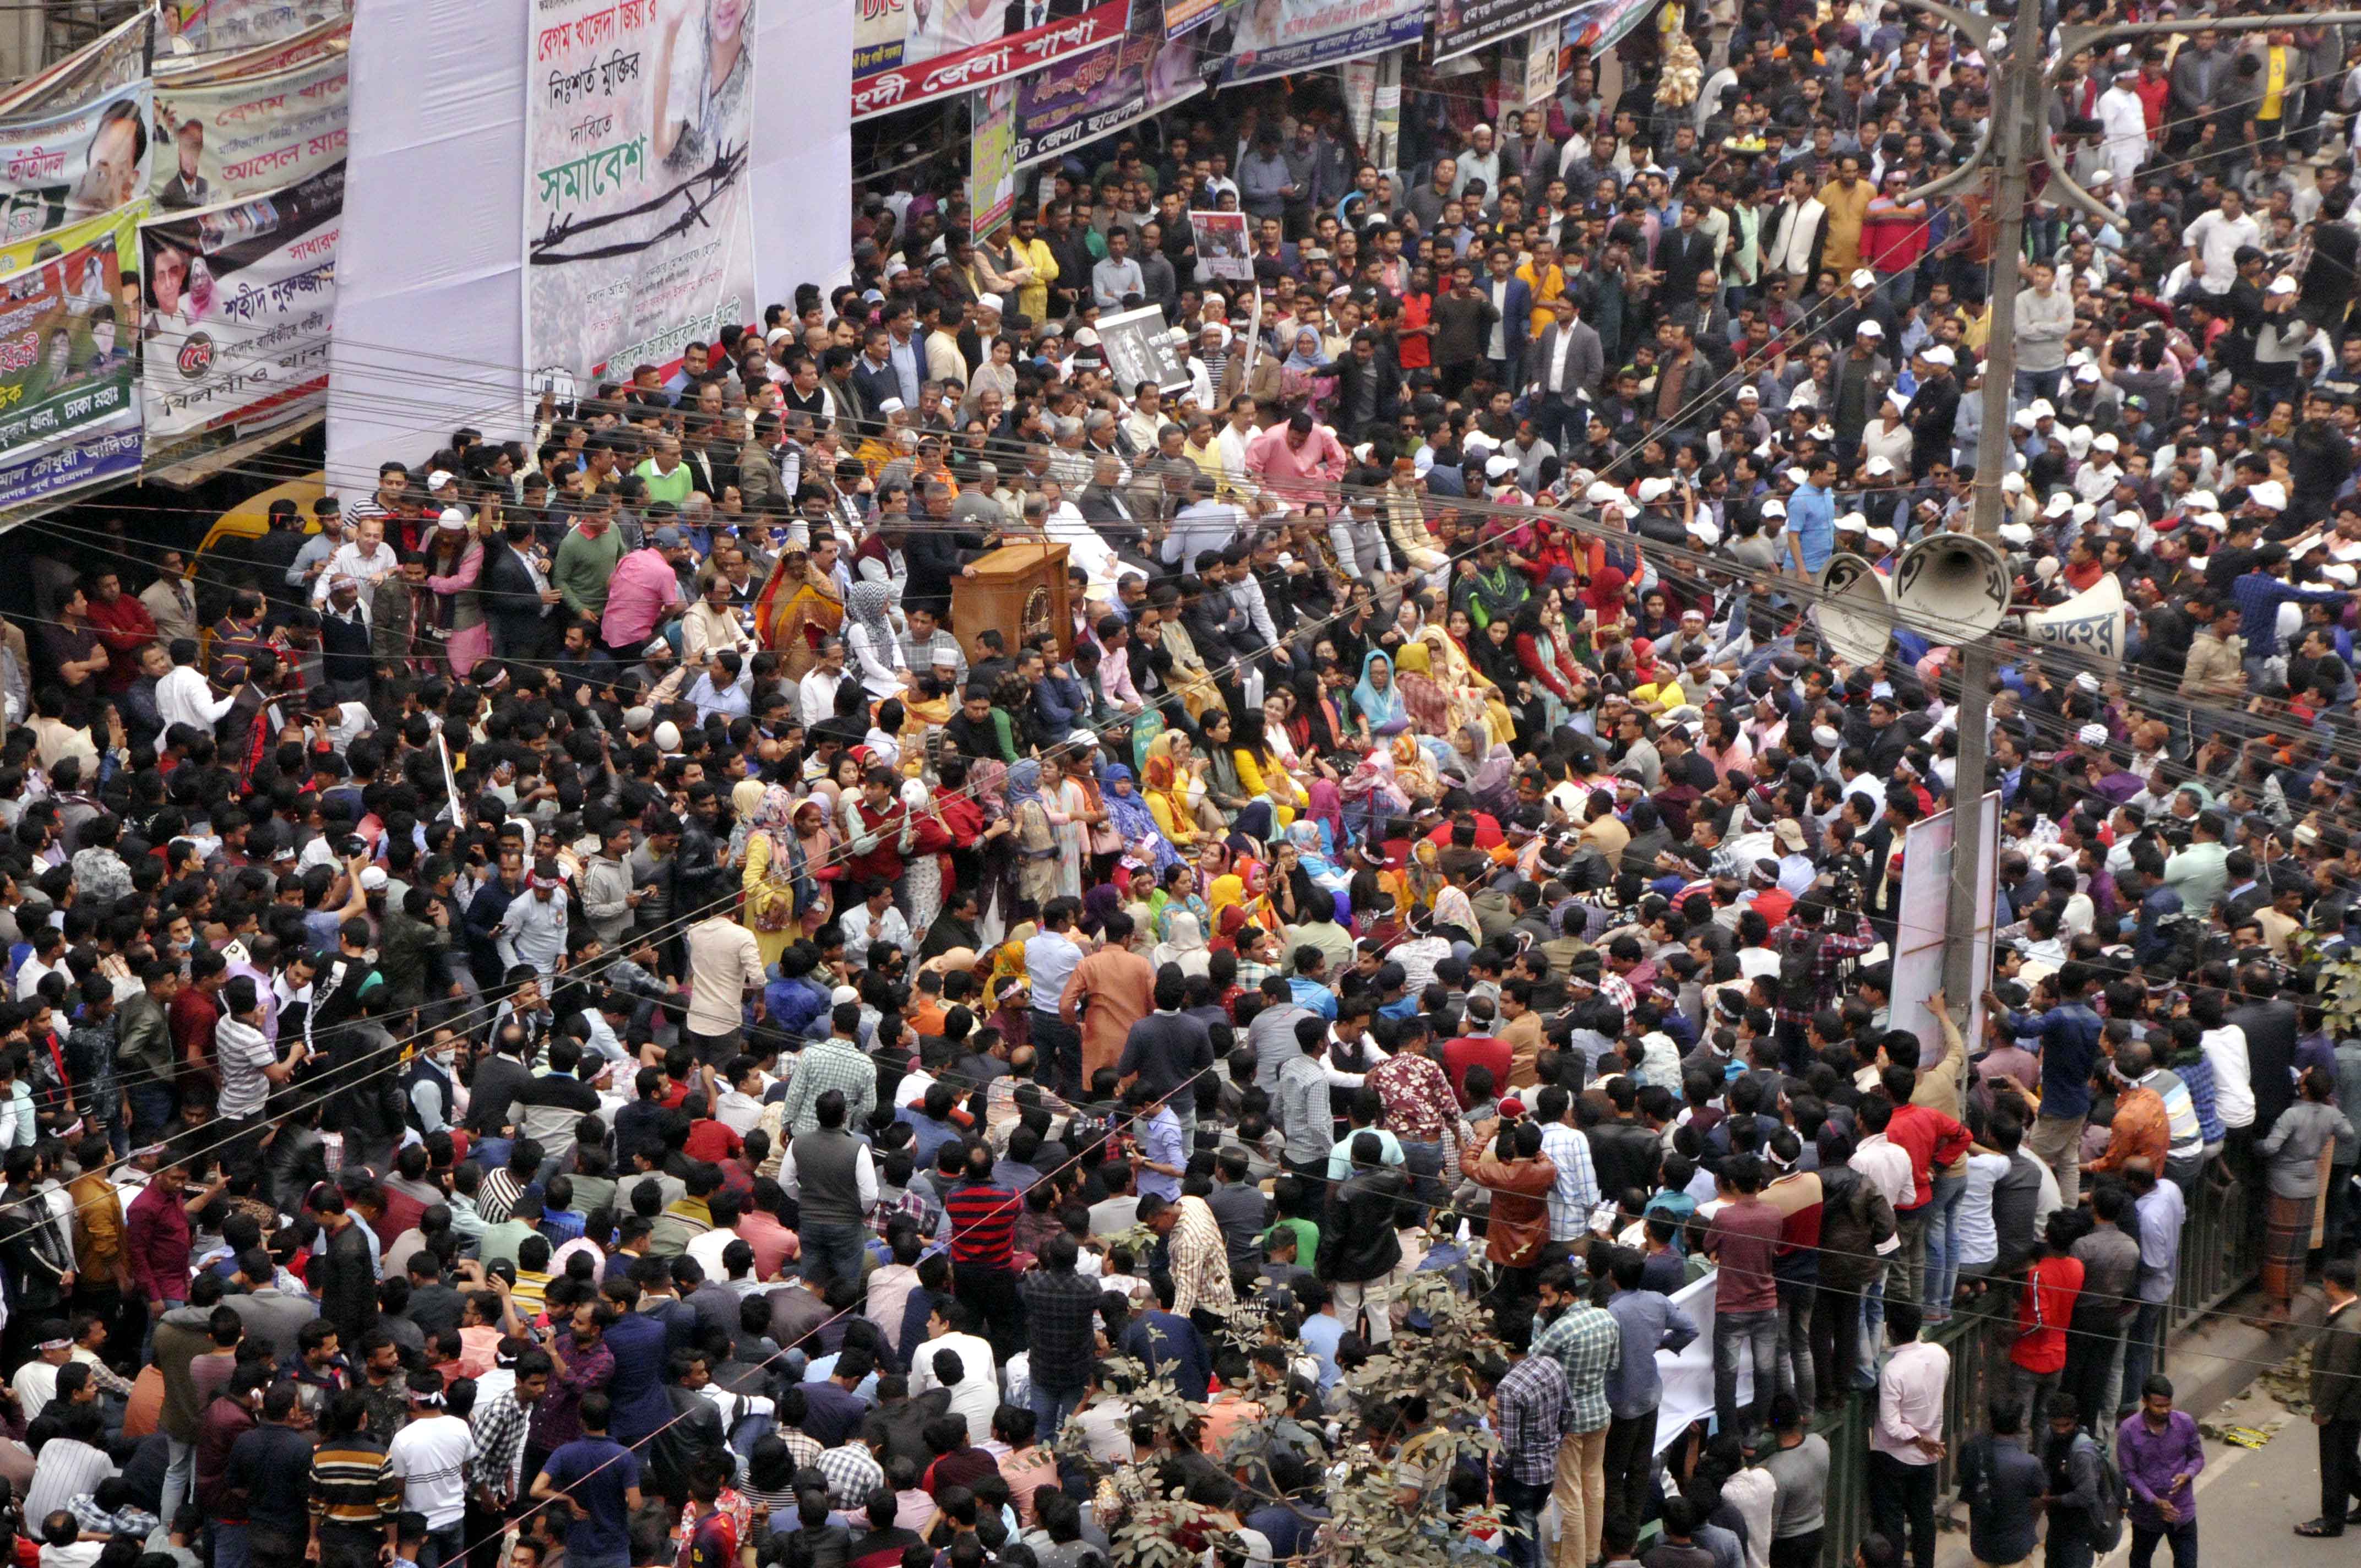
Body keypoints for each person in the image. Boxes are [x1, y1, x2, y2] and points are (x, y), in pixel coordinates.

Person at [1868, 1302, 1946, 1568]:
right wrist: (1923, 1439)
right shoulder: (1938, 1354)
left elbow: (1891, 1425)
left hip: (1893, 1457)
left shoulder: (1894, 1370)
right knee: (1923, 1519)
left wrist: (1916, 1438)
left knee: (1891, 1524)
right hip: (1927, 1458)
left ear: (1890, 1329)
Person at [2300, 1259, 2361, 1538]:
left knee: (2335, 1464)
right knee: (2347, 1459)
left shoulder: (2347, 1326)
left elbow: (2338, 1373)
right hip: (2352, 1405)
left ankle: (2332, 1520)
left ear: (2331, 1284)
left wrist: (2323, 1410)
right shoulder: (2351, 1314)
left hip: (2344, 1408)